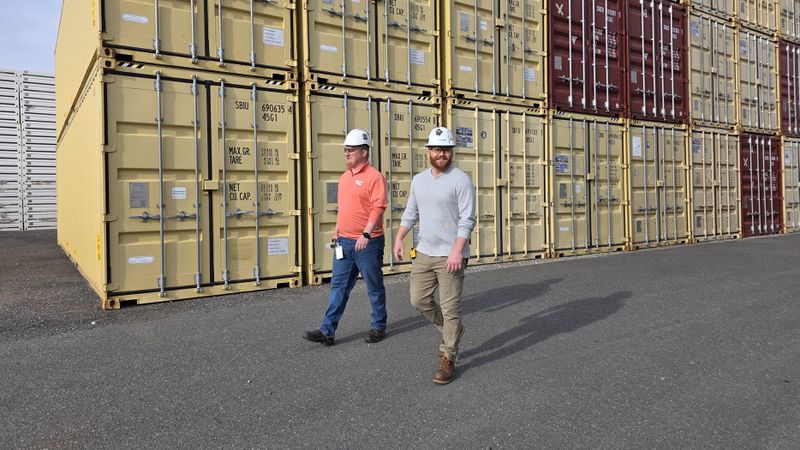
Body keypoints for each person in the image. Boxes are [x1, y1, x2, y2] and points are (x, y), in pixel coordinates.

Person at [393, 127, 476, 384]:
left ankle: (448, 357)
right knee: (419, 300)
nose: (442, 154)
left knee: (451, 309)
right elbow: (410, 213)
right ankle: (453, 331)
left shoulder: (461, 180)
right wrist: (399, 237)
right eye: (438, 149)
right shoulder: (418, 180)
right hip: (425, 253)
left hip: (451, 256)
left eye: (447, 150)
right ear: (429, 151)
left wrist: (456, 251)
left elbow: (467, 219)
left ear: (452, 152)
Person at [303, 129, 389, 346]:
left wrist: (366, 234)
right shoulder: (344, 178)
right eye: (346, 150)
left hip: (368, 243)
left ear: (364, 151)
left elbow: (378, 207)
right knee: (338, 287)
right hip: (344, 242)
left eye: (351, 149)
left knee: (374, 286)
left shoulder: (375, 177)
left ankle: (378, 326)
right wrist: (336, 232)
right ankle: (327, 331)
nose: (347, 153)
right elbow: (343, 209)